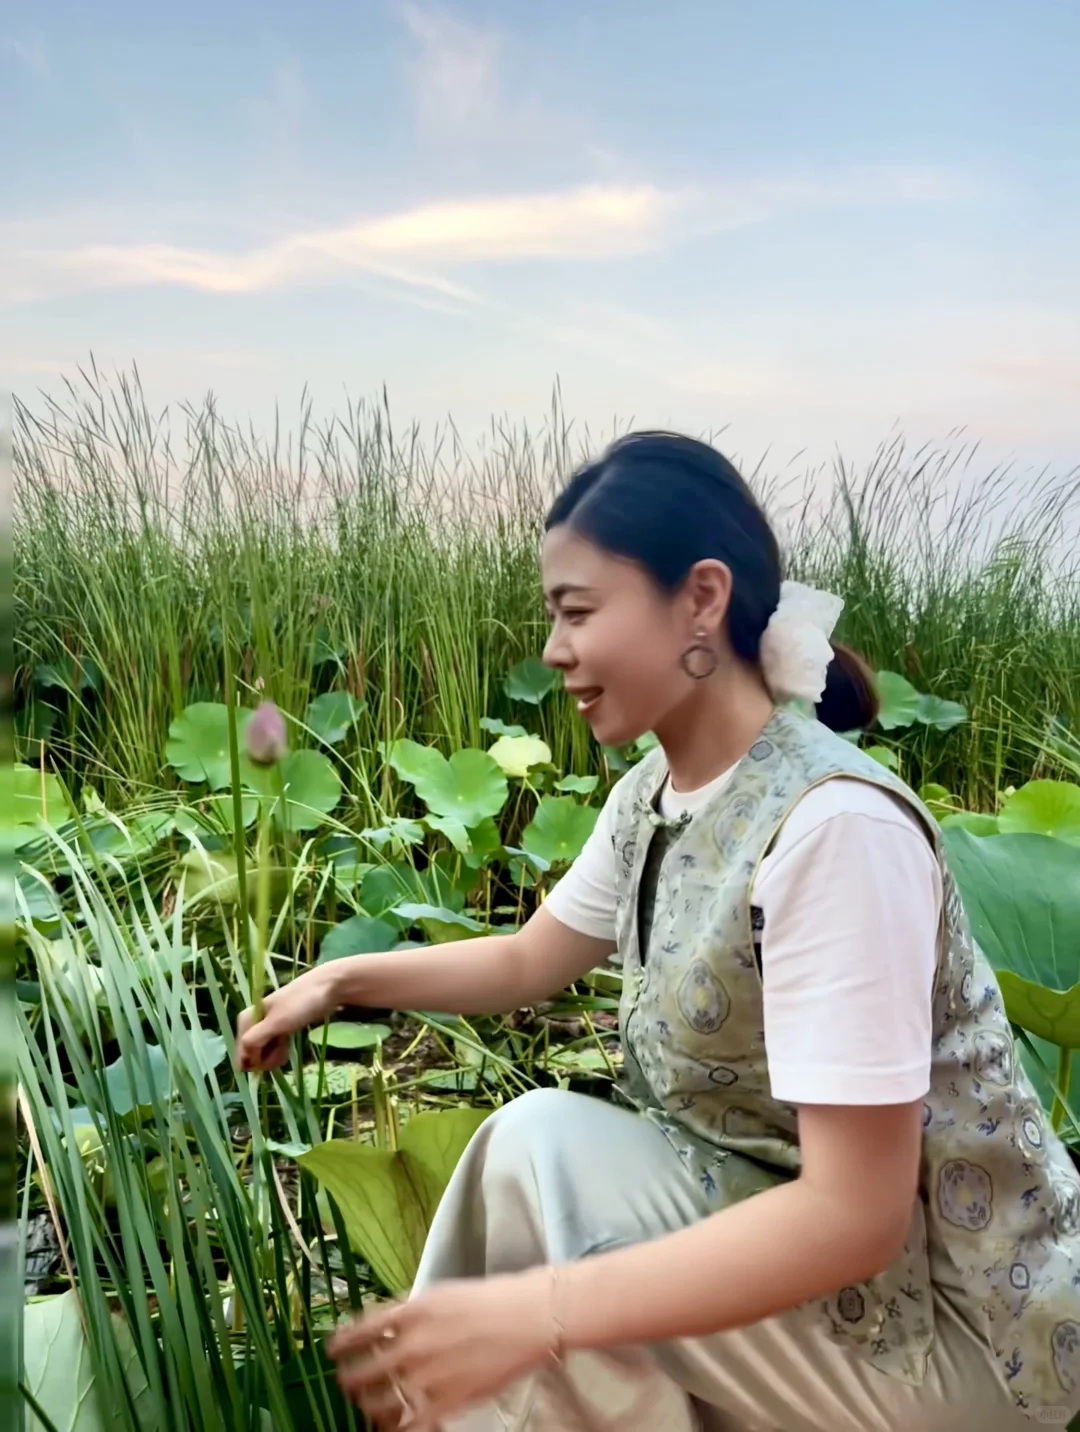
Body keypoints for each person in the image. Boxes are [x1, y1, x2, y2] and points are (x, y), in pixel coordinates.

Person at [236, 432, 1080, 1432]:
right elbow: (526, 958)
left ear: (701, 600)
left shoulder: (836, 831)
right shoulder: (652, 797)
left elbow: (854, 1217)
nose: (554, 649)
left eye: (578, 611)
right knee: (542, 1157)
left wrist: (540, 1309)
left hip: (953, 1340)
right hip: (809, 1269)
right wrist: (342, 982)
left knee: (558, 1219)